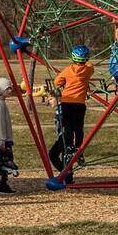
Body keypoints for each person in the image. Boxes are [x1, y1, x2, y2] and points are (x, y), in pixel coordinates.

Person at [47, 44, 94, 183]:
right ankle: (78, 147)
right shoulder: (88, 70)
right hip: (79, 103)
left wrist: (65, 80)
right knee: (78, 126)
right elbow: (90, 65)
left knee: (67, 126)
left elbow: (57, 82)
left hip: (67, 101)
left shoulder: (68, 70)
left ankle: (68, 146)